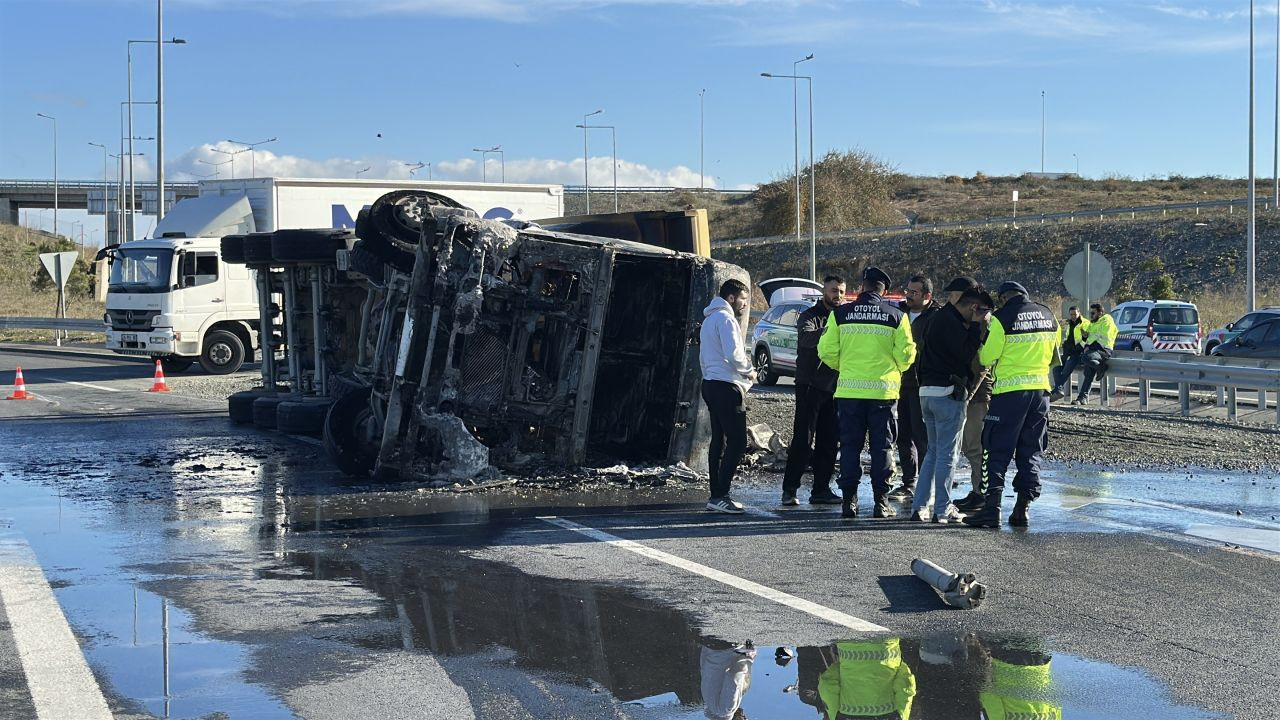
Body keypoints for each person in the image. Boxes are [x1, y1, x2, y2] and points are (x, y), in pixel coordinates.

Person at [818, 266, 917, 519]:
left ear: (862, 287)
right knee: (881, 449)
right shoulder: (896, 316)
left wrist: (848, 367)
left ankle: (848, 502)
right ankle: (880, 503)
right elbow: (906, 355)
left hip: (849, 392)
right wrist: (893, 368)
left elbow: (826, 351)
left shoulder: (840, 314)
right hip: (883, 393)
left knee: (850, 447)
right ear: (884, 290)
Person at [963, 281, 1060, 529]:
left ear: (1004, 298)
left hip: (1009, 394)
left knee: (996, 449)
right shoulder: (1048, 315)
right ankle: (1021, 508)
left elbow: (987, 357)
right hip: (1040, 393)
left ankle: (991, 509)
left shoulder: (1002, 318)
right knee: (1031, 450)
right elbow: (1054, 357)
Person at [910, 288, 994, 524]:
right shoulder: (955, 324)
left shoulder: (936, 317)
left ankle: (919, 506)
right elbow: (966, 355)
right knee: (948, 454)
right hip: (948, 393)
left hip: (926, 391)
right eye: (984, 312)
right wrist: (978, 328)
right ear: (974, 308)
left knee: (933, 452)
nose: (985, 317)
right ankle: (943, 508)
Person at [781, 275, 846, 507]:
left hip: (834, 387)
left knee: (829, 441)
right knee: (802, 439)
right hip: (809, 385)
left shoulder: (844, 317)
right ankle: (789, 489)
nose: (836, 295)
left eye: (840, 291)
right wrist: (833, 330)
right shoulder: (810, 316)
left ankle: (821, 489)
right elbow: (807, 340)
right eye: (832, 291)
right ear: (823, 292)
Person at [700, 278, 755, 514]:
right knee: (738, 441)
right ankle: (721, 494)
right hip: (726, 387)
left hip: (711, 384)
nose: (744, 304)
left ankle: (717, 495)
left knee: (719, 441)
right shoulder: (725, 319)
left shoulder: (709, 318)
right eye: (743, 298)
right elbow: (734, 355)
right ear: (731, 298)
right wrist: (750, 371)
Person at [888, 275, 939, 503]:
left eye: (914, 292)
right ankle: (909, 482)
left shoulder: (937, 317)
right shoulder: (899, 313)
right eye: (907, 290)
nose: (908, 295)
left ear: (927, 296)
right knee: (903, 435)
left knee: (922, 436)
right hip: (899, 384)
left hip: (924, 385)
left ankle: (927, 483)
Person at [816, 638, 916, 720]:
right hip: (849, 645)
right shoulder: (838, 717)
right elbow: (827, 685)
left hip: (885, 644)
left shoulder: (897, 717)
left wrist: (900, 666)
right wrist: (844, 666)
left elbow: (906, 686)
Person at [1072, 303, 1118, 405]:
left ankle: (1101, 367)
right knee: (1088, 372)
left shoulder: (1107, 322)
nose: (1091, 315)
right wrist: (1085, 337)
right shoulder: (1093, 323)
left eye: (1093, 313)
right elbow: (1090, 337)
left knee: (1086, 358)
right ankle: (1081, 398)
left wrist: (1089, 346)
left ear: (1100, 313)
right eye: (1090, 313)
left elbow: (1102, 338)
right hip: (1094, 350)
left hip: (1104, 350)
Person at [700, 639, 756, 720]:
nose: (745, 717)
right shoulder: (709, 704)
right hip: (710, 647)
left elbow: (734, 677)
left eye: (744, 719)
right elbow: (703, 667)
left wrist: (749, 656)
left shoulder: (726, 710)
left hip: (727, 648)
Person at [1049, 306, 1090, 402]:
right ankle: (1058, 389)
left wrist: (1078, 347)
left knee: (1068, 367)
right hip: (1069, 351)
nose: (1073, 316)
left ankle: (1057, 390)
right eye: (1071, 314)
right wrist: (1065, 344)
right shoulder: (1070, 323)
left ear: (1079, 313)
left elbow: (1087, 339)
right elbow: (1068, 337)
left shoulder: (1085, 323)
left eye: (1075, 314)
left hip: (1079, 353)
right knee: (1056, 367)